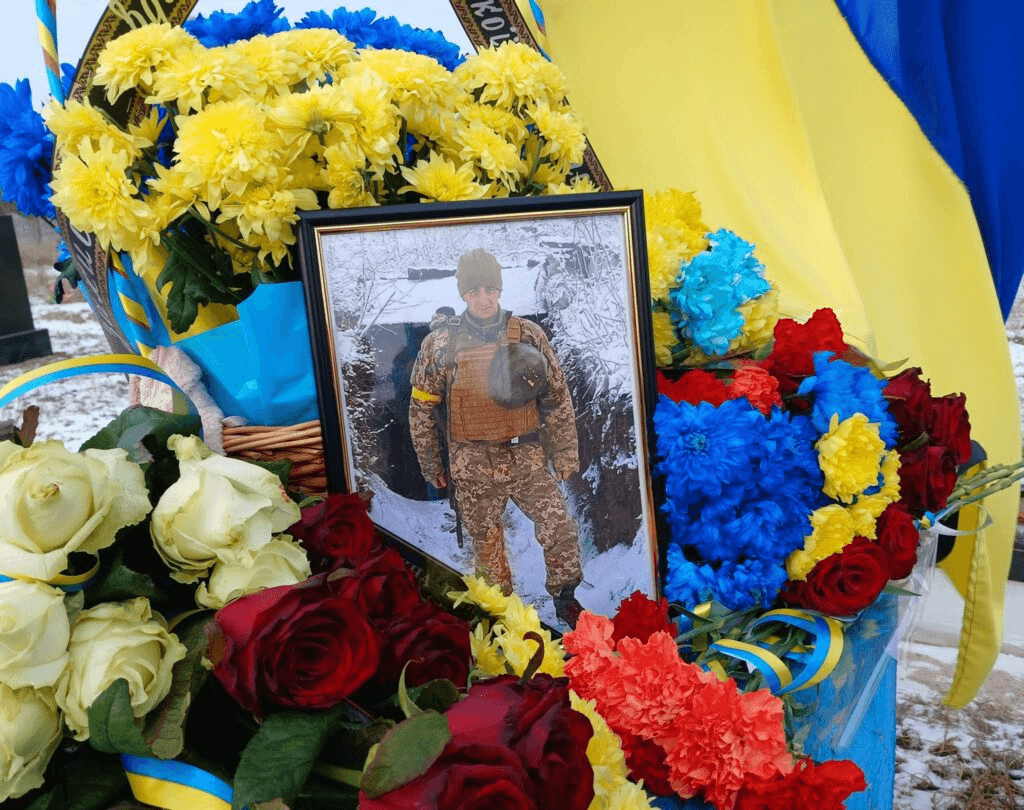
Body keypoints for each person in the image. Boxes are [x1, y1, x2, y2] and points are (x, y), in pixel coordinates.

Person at [408, 248, 584, 626]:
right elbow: (421, 409)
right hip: (472, 463)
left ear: (500, 289)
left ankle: (566, 597)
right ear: (463, 294)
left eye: (490, 289)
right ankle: (502, 614)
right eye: (474, 291)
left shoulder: (529, 335)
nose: (484, 299)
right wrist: (431, 464)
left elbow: (556, 396)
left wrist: (565, 451)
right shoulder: (440, 344)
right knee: (487, 546)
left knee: (559, 528)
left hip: (526, 456)